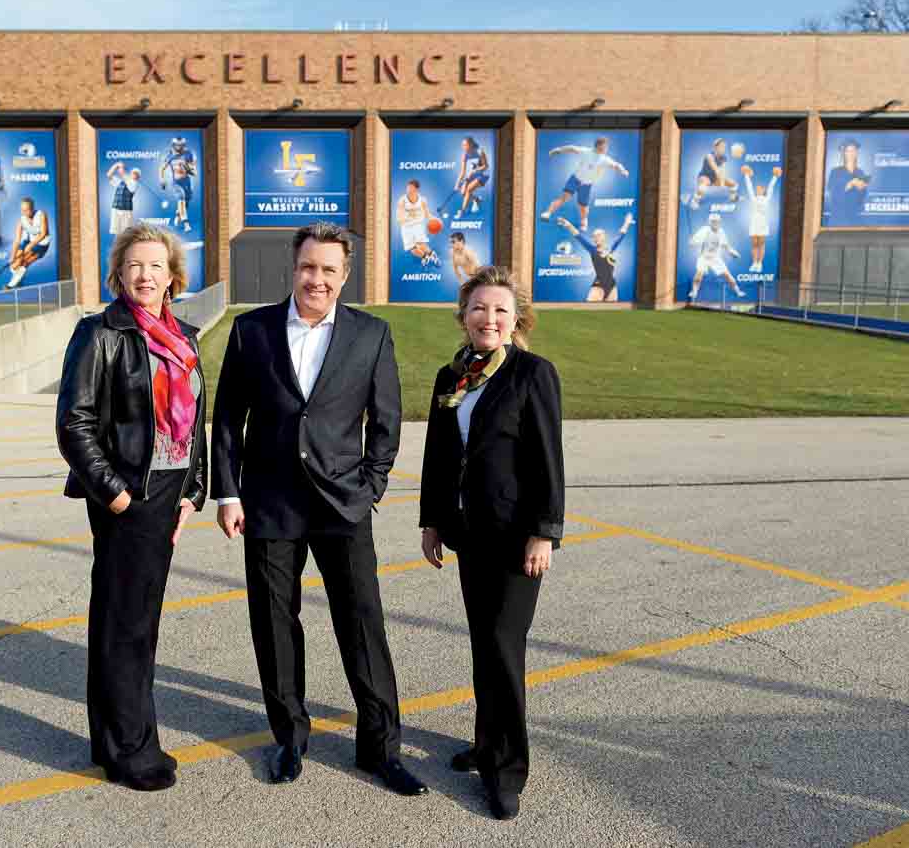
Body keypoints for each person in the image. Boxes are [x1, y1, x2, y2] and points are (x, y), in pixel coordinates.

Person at [212, 221, 426, 797]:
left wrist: (371, 486)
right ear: (294, 267)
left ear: (344, 275)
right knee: (275, 624)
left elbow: (387, 420)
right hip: (269, 501)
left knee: (362, 624)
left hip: (342, 504)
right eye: (309, 267)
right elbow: (228, 420)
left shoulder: (370, 334)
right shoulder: (250, 330)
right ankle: (289, 738)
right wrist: (228, 493)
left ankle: (380, 748)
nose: (318, 279)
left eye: (330, 270)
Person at [56, 222, 208, 793]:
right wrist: (115, 493)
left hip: (169, 493)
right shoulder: (100, 333)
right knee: (127, 624)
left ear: (173, 276)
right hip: (128, 495)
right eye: (134, 265)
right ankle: (130, 750)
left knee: (134, 619)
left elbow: (197, 421)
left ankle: (114, 738)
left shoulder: (185, 337)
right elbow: (74, 421)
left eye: (156, 265)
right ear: (118, 273)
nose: (145, 275)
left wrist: (194, 492)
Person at [418, 265, 564, 821]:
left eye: (501, 310)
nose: (490, 318)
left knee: (504, 649)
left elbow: (548, 458)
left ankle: (506, 770)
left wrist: (544, 531)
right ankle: (485, 745)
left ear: (517, 320)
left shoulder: (532, 374)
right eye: (480, 308)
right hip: (469, 534)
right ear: (464, 316)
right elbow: (438, 454)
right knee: (485, 644)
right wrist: (432, 520)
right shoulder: (451, 375)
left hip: (515, 538)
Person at [539, 136, 629, 230]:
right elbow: (572, 148)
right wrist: (559, 150)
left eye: (607, 147)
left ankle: (584, 221)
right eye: (605, 147)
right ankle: (548, 213)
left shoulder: (605, 159)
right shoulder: (586, 151)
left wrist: (623, 170)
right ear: (598, 146)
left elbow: (616, 165)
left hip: (586, 185)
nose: (606, 149)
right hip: (575, 179)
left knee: (582, 206)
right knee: (564, 198)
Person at [556, 212, 633, 302]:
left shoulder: (611, 249)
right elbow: (578, 236)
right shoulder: (593, 250)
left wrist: (627, 222)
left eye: (598, 235)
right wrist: (568, 225)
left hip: (612, 286)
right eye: (594, 236)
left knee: (611, 314)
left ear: (604, 237)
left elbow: (621, 235)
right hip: (598, 286)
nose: (596, 238)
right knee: (589, 310)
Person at [0, 196, 50, 290]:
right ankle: (19, 277)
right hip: (29, 241)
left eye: (27, 210)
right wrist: (12, 257)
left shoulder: (41, 214)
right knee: (14, 265)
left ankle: (10, 285)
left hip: (42, 244)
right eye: (22, 210)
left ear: (32, 208)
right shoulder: (21, 220)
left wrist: (31, 245)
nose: (24, 213)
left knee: (24, 262)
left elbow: (43, 233)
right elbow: (17, 240)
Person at [686, 213, 744, 302]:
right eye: (713, 221)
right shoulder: (704, 230)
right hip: (704, 257)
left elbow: (726, 245)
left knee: (727, 275)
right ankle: (694, 291)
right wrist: (692, 242)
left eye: (717, 221)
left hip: (716, 258)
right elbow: (695, 241)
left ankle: (738, 291)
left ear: (719, 222)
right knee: (699, 274)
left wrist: (732, 252)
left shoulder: (721, 231)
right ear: (709, 222)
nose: (715, 223)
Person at [742, 165, 782, 272]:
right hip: (754, 222)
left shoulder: (767, 198)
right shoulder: (753, 198)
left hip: (762, 223)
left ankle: (760, 263)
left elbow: (771, 187)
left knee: (761, 243)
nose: (758, 189)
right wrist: (746, 175)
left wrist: (775, 176)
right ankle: (754, 263)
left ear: (764, 190)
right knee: (754, 243)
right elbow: (749, 187)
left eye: (760, 188)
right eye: (757, 188)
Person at [825, 139, 871, 226]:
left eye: (853, 151)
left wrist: (862, 188)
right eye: (848, 151)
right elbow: (833, 194)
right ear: (843, 153)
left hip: (854, 219)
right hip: (838, 219)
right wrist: (850, 184)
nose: (851, 154)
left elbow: (860, 201)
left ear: (857, 153)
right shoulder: (835, 172)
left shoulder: (860, 172)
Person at [396, 179, 441, 268]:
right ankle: (425, 257)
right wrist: (404, 218)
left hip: (418, 225)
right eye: (407, 188)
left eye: (411, 188)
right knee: (412, 249)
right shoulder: (402, 200)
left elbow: (427, 214)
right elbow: (399, 216)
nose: (408, 190)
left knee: (420, 243)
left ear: (416, 189)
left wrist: (435, 219)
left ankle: (434, 256)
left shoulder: (422, 200)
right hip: (406, 227)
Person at [160, 137, 196, 234]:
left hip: (186, 182)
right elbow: (162, 168)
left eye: (181, 145)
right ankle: (186, 224)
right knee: (181, 200)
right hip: (176, 183)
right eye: (177, 145)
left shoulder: (188, 154)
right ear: (173, 145)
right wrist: (162, 179)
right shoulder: (169, 155)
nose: (179, 147)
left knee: (186, 202)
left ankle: (178, 214)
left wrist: (188, 168)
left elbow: (194, 171)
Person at [454, 136, 490, 218]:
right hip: (472, 176)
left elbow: (486, 166)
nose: (463, 147)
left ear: (470, 145)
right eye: (462, 145)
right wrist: (457, 184)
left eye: (465, 145)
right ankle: (476, 199)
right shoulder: (464, 155)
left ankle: (462, 211)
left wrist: (475, 170)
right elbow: (462, 172)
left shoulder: (480, 152)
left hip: (483, 175)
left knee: (469, 189)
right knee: (463, 192)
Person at [107, 162, 142, 235]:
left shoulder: (135, 184)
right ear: (130, 173)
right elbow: (109, 175)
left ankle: (125, 246)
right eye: (133, 172)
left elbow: (122, 174)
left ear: (138, 177)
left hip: (126, 212)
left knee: (126, 233)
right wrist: (116, 165)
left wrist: (120, 166)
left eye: (137, 174)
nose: (134, 174)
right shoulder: (120, 182)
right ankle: (118, 246)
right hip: (116, 209)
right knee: (116, 232)